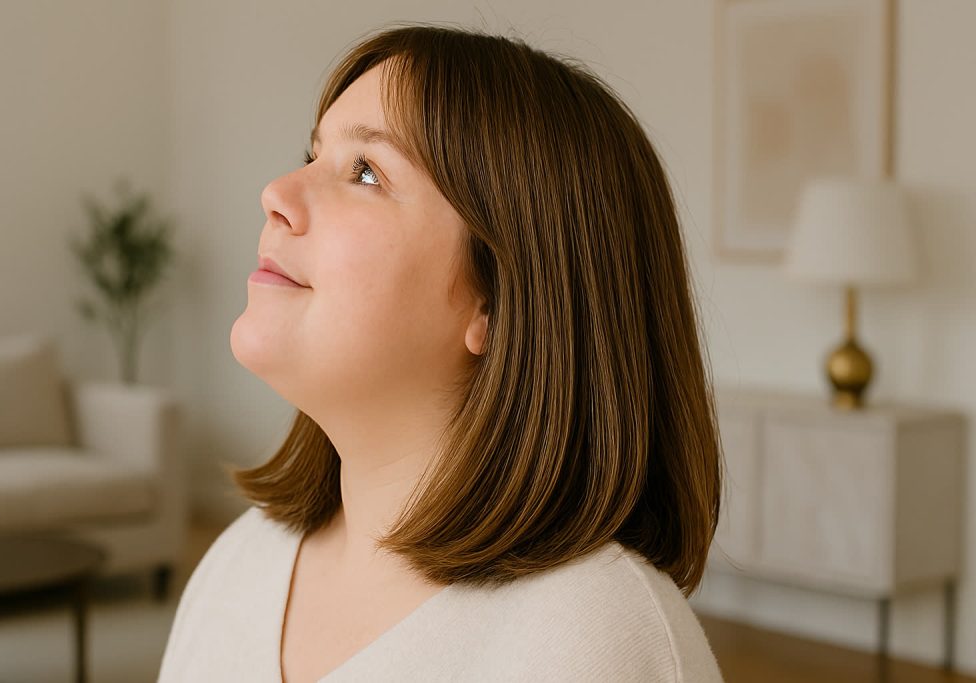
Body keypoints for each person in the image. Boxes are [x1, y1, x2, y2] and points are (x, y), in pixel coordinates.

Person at [159, 22, 725, 683]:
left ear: (498, 298)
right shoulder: (242, 560)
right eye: (312, 155)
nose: (277, 194)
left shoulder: (595, 639)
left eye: (365, 171)